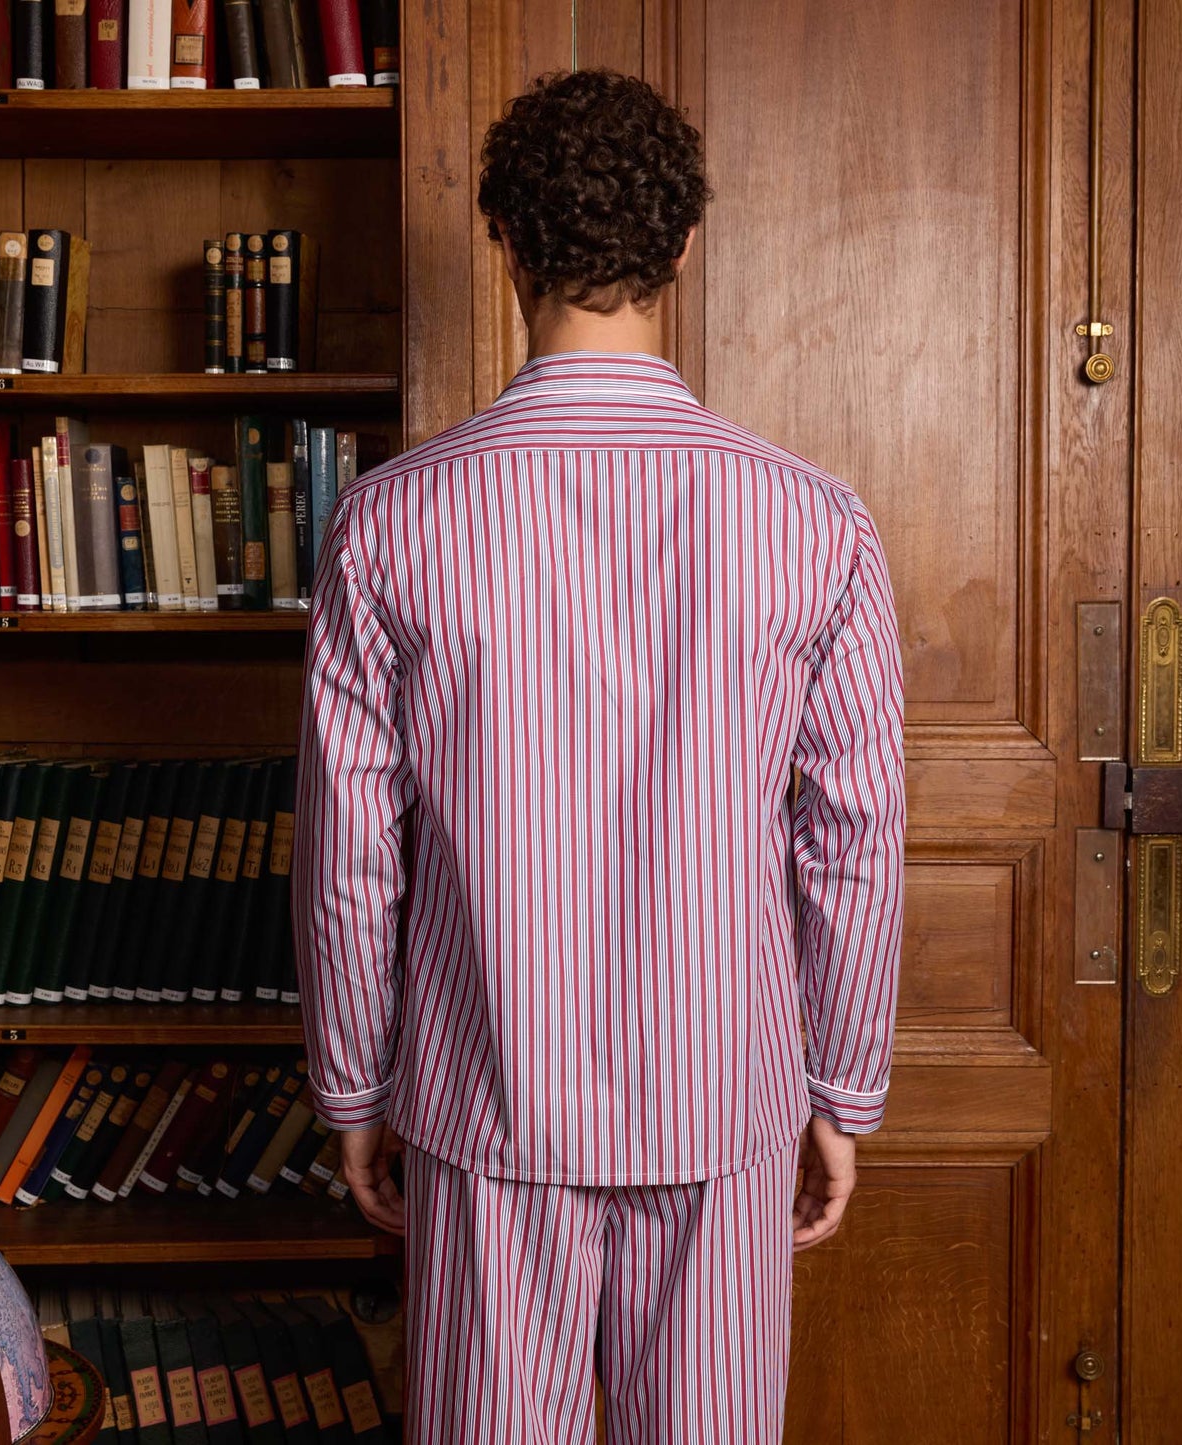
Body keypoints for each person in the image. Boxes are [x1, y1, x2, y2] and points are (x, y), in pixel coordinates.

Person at [291, 67, 905, 1445]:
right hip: (724, 1093)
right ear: (681, 248)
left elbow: (349, 848)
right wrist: (841, 1084)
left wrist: (353, 1079)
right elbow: (853, 833)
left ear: (504, 238)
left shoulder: (390, 521)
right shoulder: (814, 521)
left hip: (480, 1094)